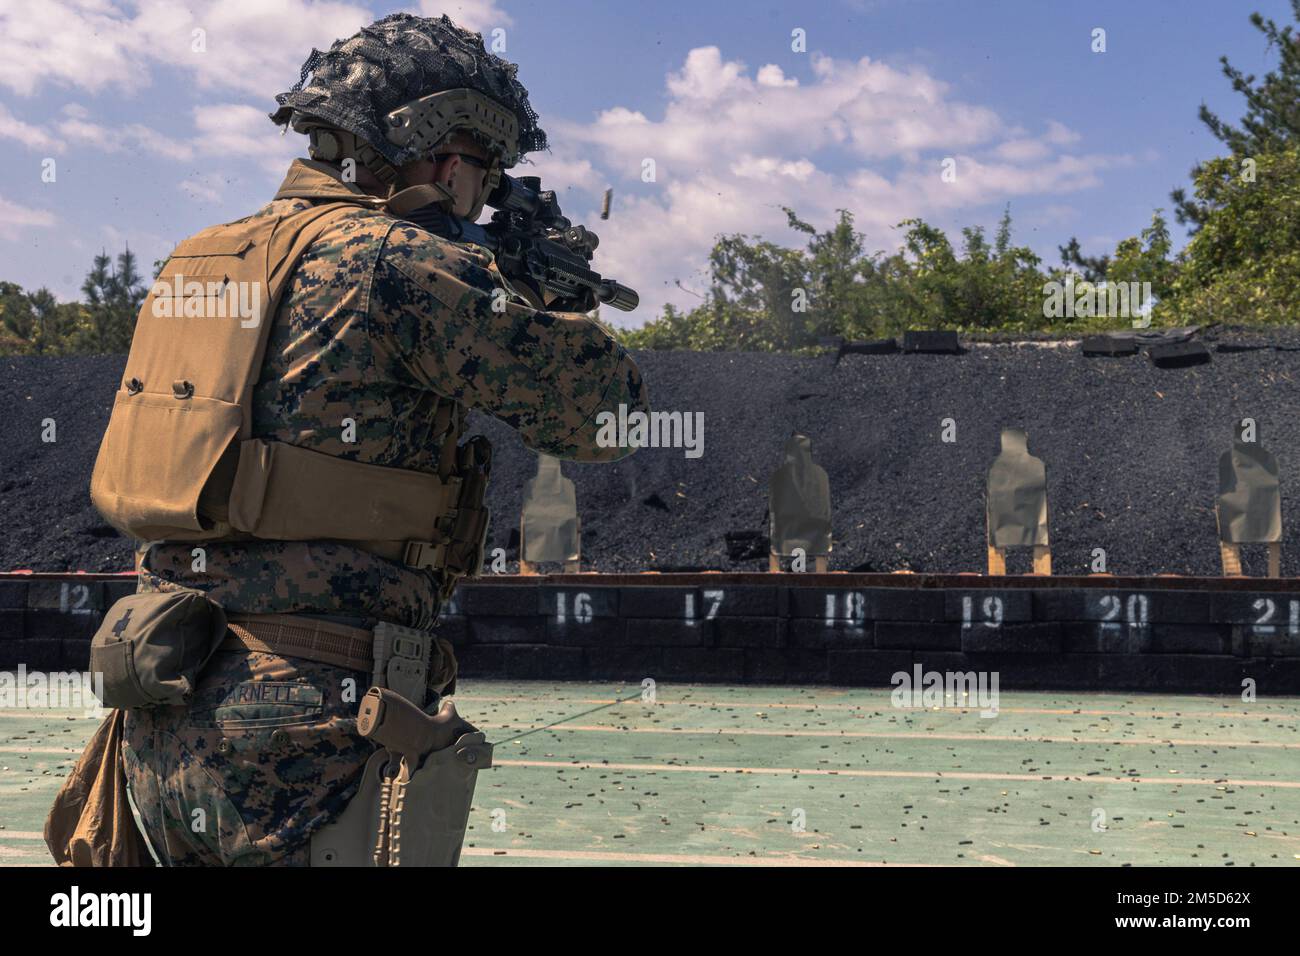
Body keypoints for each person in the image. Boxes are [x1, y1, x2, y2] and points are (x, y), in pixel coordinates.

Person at [97, 12, 647, 866]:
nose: (479, 195)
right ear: (444, 157)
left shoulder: (197, 263)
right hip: (308, 725)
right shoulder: (396, 261)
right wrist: (551, 299)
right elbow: (607, 415)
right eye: (484, 175)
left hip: (161, 701)